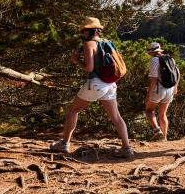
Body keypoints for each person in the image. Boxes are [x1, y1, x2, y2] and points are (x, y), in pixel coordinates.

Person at [49, 17, 134, 159]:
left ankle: (64, 144)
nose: (83, 34)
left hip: (96, 84)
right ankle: (126, 148)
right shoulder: (108, 43)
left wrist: (77, 61)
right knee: (116, 117)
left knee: (73, 110)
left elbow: (89, 68)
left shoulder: (89, 44)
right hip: (110, 84)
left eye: (83, 31)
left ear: (88, 31)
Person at [145, 42, 179, 141]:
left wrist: (148, 94)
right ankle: (164, 138)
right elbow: (178, 73)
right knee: (163, 114)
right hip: (170, 89)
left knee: (149, 110)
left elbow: (154, 79)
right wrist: (176, 87)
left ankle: (156, 130)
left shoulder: (154, 60)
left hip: (159, 90)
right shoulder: (170, 58)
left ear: (152, 52)